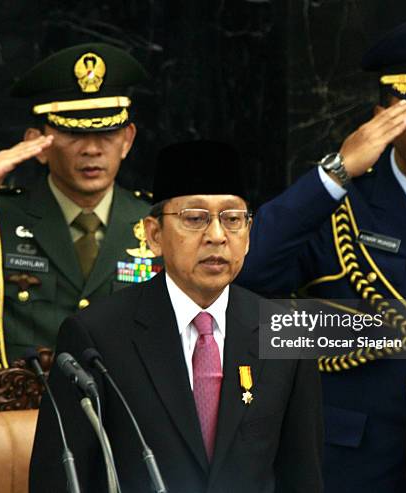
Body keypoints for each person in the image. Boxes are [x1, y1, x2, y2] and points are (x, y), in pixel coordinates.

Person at [237, 16, 406, 492]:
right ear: (383, 113)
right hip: (353, 466)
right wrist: (335, 173)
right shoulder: (336, 206)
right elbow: (244, 275)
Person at [29, 140, 323, 493]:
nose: (216, 236)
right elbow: (59, 479)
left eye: (232, 220)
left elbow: (303, 475)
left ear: (247, 236)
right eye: (195, 219)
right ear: (154, 235)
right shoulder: (97, 336)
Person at [0, 43, 153, 393]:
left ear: (127, 140)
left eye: (106, 133)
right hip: (15, 435)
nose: (92, 149)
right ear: (38, 143)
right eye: (75, 133)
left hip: (129, 433)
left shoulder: (159, 226)